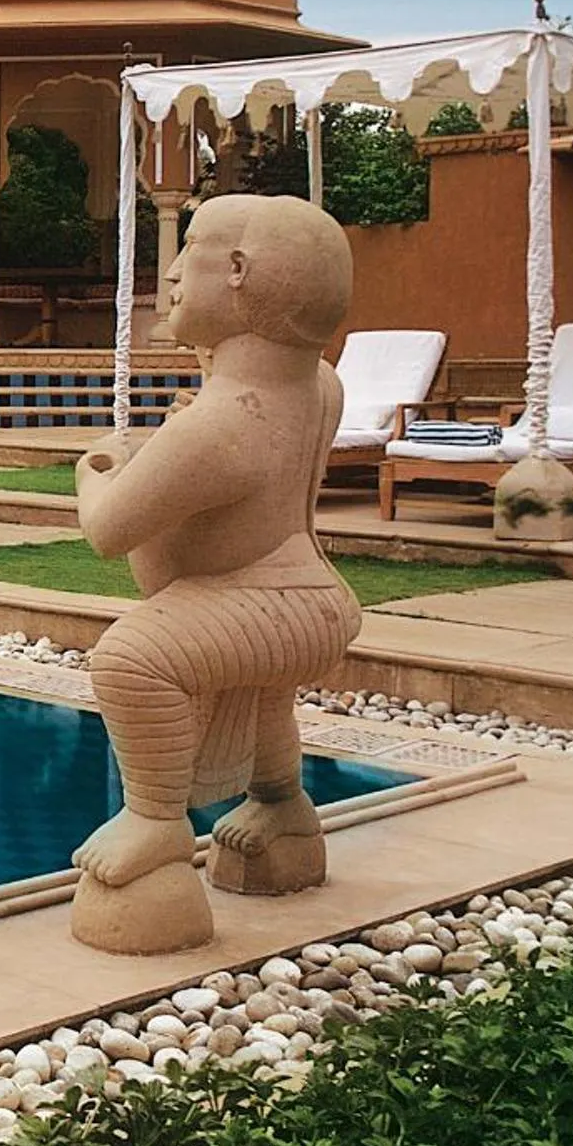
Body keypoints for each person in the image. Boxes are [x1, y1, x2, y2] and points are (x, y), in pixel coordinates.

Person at [69, 194, 361, 953]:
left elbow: (108, 530)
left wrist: (95, 470)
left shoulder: (220, 423)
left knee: (134, 658)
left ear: (236, 273)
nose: (168, 276)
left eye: (187, 250)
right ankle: (282, 810)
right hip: (313, 602)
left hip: (266, 604)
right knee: (260, 696)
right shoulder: (320, 385)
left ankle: (156, 822)